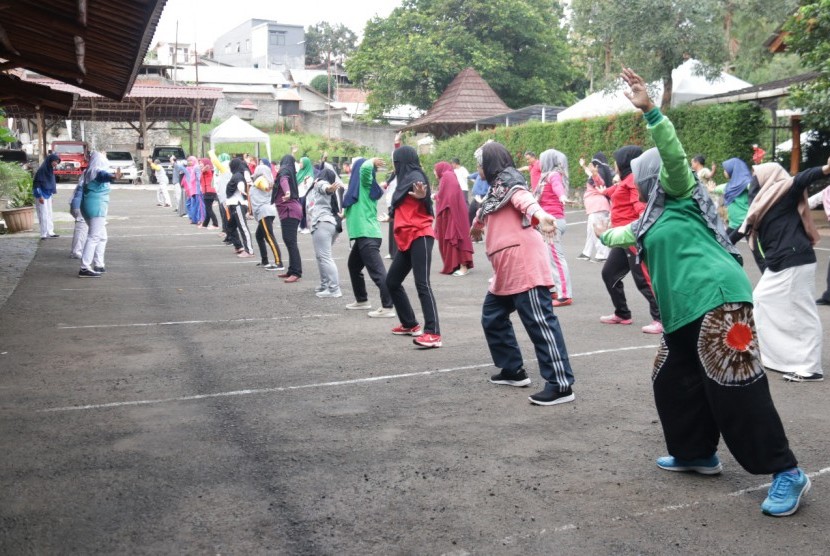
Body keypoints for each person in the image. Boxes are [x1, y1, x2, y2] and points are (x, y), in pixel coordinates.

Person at [600, 67, 809, 517]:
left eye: (638, 175)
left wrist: (652, 111)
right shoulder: (650, 218)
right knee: (671, 381)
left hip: (718, 297)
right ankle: (696, 452)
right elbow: (622, 236)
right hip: (682, 314)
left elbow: (673, 156)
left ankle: (787, 472)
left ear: (654, 175)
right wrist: (593, 233)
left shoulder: (677, 190)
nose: (633, 182)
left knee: (735, 386)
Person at [471, 141, 576, 406]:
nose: (477, 167)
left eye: (479, 163)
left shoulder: (510, 184)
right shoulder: (495, 190)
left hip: (523, 264)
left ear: (489, 163)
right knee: (492, 317)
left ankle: (561, 384)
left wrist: (543, 216)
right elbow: (486, 211)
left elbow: (525, 201)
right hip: (505, 270)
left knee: (539, 322)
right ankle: (513, 370)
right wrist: (476, 227)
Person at [731, 158, 829, 382]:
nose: (753, 181)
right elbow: (743, 227)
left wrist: (825, 168)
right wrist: (721, 244)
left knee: (802, 312)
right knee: (762, 300)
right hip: (781, 262)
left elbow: (803, 177)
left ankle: (810, 367)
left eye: (757, 176)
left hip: (795, 259)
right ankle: (782, 358)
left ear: (768, 176)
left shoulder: (784, 190)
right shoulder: (764, 202)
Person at [598, 145, 663, 333]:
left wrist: (640, 232)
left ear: (624, 162)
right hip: (620, 238)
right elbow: (612, 192)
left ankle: (660, 319)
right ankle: (622, 313)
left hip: (632, 237)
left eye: (616, 161)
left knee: (643, 278)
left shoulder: (634, 180)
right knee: (609, 273)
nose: (614, 165)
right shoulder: (625, 179)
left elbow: (641, 208)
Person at [385, 147, 442, 348]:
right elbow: (404, 204)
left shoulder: (416, 177)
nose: (394, 165)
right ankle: (410, 323)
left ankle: (433, 333)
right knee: (392, 281)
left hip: (421, 236)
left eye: (395, 161)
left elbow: (422, 193)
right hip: (408, 237)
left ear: (402, 161)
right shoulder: (405, 178)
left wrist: (421, 195)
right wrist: (392, 216)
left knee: (422, 283)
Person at [343, 157, 395, 317]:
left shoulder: (365, 184)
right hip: (364, 235)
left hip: (367, 235)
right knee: (353, 266)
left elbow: (365, 170)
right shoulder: (360, 190)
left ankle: (388, 307)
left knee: (377, 272)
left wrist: (370, 161)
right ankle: (362, 300)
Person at [536, 149, 572, 306]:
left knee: (556, 259)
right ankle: (555, 290)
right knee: (548, 259)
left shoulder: (553, 175)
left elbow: (558, 187)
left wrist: (562, 196)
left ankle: (565, 295)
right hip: (548, 222)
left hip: (553, 223)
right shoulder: (546, 176)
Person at [78, 152, 120, 277]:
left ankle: (99, 264)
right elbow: (103, 175)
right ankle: (85, 267)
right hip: (97, 207)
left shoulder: (89, 171)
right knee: (94, 237)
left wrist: (112, 176)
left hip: (89, 206)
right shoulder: (96, 170)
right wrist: (113, 176)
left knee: (102, 237)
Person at [307, 167, 344, 297]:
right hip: (333, 224)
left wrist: (328, 188)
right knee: (321, 256)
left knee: (325, 257)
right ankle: (325, 285)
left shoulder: (320, 183)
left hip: (322, 223)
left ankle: (334, 289)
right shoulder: (339, 189)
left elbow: (323, 186)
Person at [433, 161, 474, 276]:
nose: (434, 172)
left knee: (456, 237)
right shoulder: (448, 176)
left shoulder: (447, 176)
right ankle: (456, 265)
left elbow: (448, 195)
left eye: (435, 170)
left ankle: (463, 266)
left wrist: (436, 196)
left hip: (453, 214)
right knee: (453, 238)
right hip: (452, 212)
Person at [577, 153, 612, 262]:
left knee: (598, 230)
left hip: (598, 207)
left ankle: (602, 255)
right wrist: (583, 166)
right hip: (597, 207)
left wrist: (595, 174)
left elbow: (599, 181)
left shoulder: (598, 174)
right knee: (591, 231)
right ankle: (586, 253)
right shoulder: (598, 172)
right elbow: (590, 173)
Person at [250, 158, 284, 271]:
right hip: (267, 211)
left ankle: (279, 263)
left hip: (264, 212)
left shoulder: (261, 179)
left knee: (269, 236)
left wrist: (266, 187)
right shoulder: (267, 179)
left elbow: (264, 185)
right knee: (259, 235)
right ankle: (264, 260)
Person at [275, 155, 303, 282]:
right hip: (291, 210)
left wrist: (287, 192)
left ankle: (296, 272)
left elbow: (283, 180)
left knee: (290, 241)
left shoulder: (285, 170)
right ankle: (292, 269)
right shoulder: (290, 171)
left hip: (289, 211)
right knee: (288, 240)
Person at [225, 157, 255, 258]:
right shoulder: (236, 174)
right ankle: (239, 246)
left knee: (243, 227)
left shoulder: (238, 175)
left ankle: (249, 251)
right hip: (234, 204)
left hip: (238, 205)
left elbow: (240, 183)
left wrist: (242, 190)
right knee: (230, 227)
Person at [32, 153, 61, 239]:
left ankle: (50, 232)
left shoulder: (50, 170)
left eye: (57, 161)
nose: (56, 163)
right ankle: (43, 233)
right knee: (43, 214)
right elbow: (36, 184)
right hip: (41, 194)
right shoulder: (42, 170)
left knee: (49, 213)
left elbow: (51, 184)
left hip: (48, 194)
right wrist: (39, 195)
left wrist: (51, 195)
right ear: (50, 160)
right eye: (55, 161)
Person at [182, 156, 204, 225]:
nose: (189, 162)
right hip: (190, 189)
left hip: (196, 189)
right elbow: (185, 179)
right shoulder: (188, 168)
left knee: (197, 205)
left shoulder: (196, 168)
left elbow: (199, 178)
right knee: (191, 204)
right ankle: (192, 218)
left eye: (191, 161)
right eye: (188, 161)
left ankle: (197, 219)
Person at [296, 156, 315, 234]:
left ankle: (306, 227)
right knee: (300, 211)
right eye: (300, 162)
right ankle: (301, 226)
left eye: (301, 163)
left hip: (305, 195)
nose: (300, 164)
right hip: (299, 194)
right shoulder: (299, 172)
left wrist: (304, 182)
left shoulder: (309, 175)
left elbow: (308, 187)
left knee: (304, 211)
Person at [198, 158, 218, 229]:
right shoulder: (205, 170)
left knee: (208, 209)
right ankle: (205, 224)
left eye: (201, 163)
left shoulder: (207, 169)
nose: (200, 164)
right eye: (199, 163)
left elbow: (207, 167)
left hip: (209, 191)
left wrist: (204, 166)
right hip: (207, 191)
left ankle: (215, 224)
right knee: (207, 209)